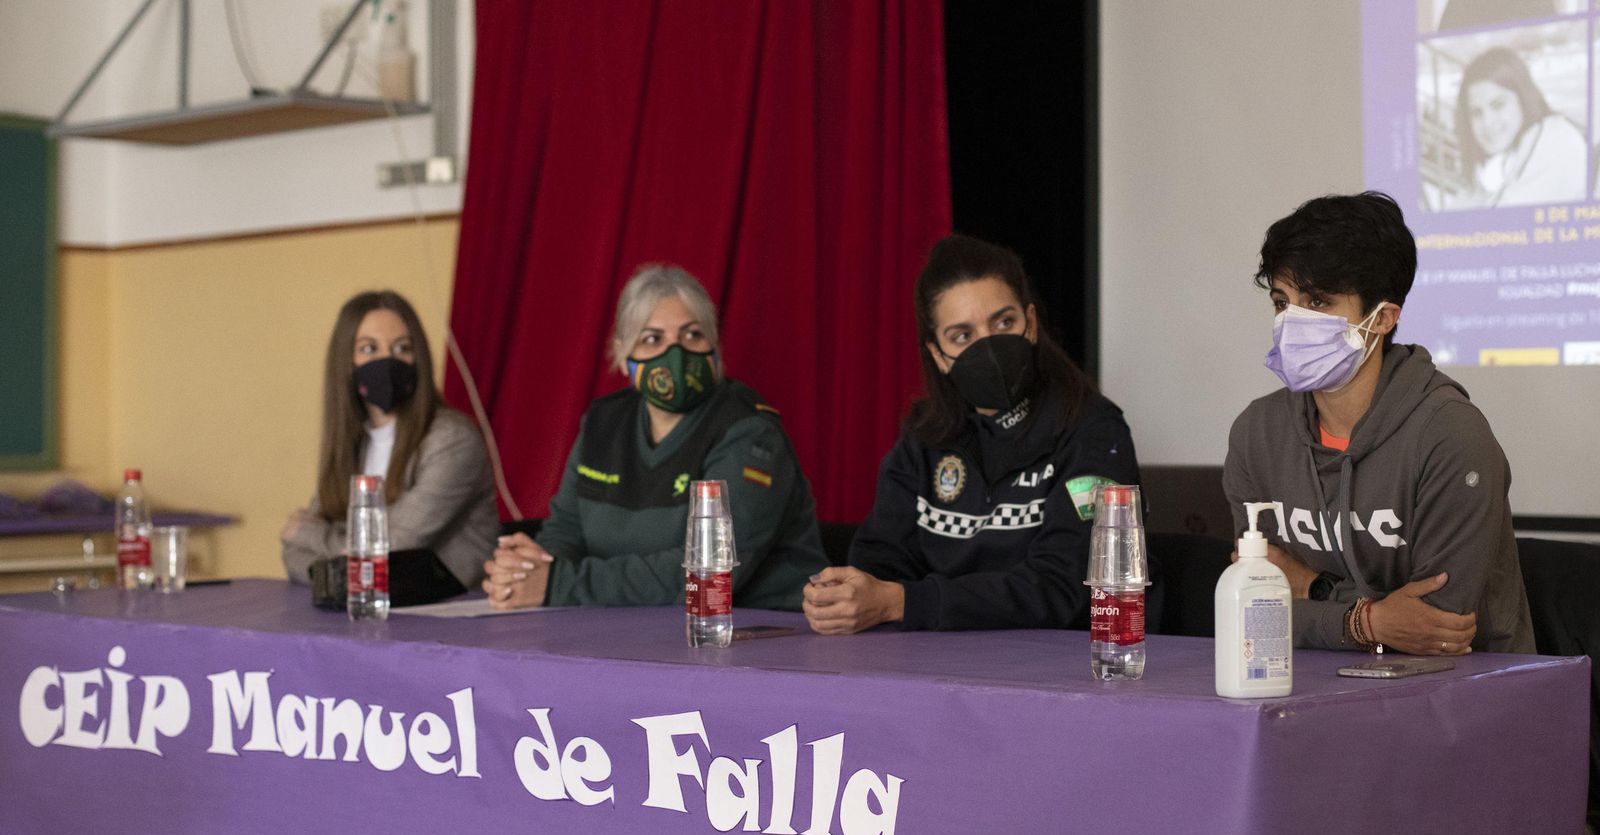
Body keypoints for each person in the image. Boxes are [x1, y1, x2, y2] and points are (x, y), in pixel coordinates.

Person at [1224, 191, 1534, 654]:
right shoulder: (1257, 433)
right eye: (1282, 302)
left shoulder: (1451, 437)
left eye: (1318, 302)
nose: (1292, 321)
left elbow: (1434, 629)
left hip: (1463, 700)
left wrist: (1316, 588)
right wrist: (1368, 622)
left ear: (1383, 319)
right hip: (1306, 694)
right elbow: (1253, 613)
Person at [803, 234, 1142, 635]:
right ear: (937, 355)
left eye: (1003, 322)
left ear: (1030, 325)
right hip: (937, 666)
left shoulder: (1094, 430)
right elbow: (881, 562)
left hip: (1065, 669)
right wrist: (848, 597)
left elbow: (1066, 587)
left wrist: (903, 602)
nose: (989, 347)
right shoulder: (923, 438)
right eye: (962, 336)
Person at [484, 264, 826, 609]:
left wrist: (558, 584)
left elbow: (710, 574)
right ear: (622, 354)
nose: (675, 355)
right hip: (628, 629)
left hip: (756, 631)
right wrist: (525, 573)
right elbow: (566, 532)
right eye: (652, 339)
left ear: (715, 347)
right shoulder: (604, 421)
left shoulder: (749, 431)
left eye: (693, 335)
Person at [281, 290, 499, 591]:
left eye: (402, 348)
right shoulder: (354, 443)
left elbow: (392, 545)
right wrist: (340, 571)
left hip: (449, 612)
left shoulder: (452, 440)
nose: (387, 361)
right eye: (369, 349)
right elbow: (292, 555)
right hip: (371, 607)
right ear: (345, 361)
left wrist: (313, 536)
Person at [1453, 46, 1586, 208]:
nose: (1487, 122)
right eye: (1476, 113)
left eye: (1498, 105)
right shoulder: (1494, 165)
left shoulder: (1555, 139)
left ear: (1523, 98)